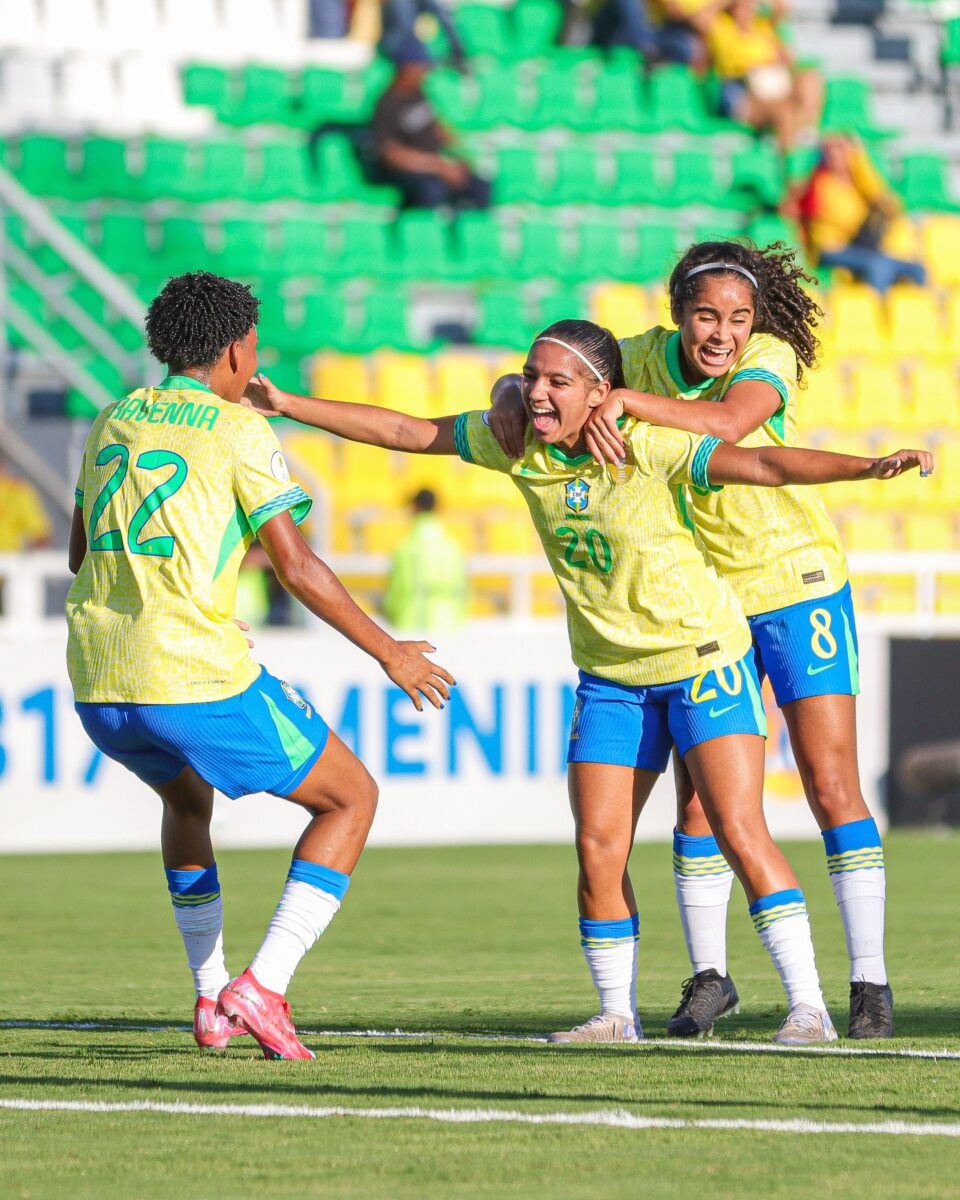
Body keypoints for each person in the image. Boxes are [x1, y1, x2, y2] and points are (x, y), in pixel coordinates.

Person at [244, 320, 930, 1045]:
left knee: (737, 829)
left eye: (556, 382)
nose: (536, 393)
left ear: (601, 392)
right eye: (530, 377)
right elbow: (406, 431)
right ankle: (615, 1014)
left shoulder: (645, 444)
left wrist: (867, 467)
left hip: (702, 661)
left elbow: (761, 464)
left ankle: (809, 1009)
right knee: (599, 848)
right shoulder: (518, 445)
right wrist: (288, 404)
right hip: (610, 678)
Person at [489, 241, 908, 1040]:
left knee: (828, 783)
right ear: (678, 311)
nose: (723, 333)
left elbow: (731, 424)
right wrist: (511, 387)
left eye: (737, 318)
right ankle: (711, 977)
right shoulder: (641, 355)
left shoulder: (767, 356)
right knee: (701, 805)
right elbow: (564, 371)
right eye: (707, 316)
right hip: (707, 603)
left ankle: (868, 983)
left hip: (794, 583)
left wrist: (630, 403)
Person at [65, 272, 452, 1060]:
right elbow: (297, 567)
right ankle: (262, 985)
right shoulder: (238, 428)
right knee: (350, 798)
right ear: (239, 350)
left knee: (186, 803)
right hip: (188, 674)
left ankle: (211, 997)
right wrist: (390, 652)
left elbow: (82, 555)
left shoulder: (112, 419)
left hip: (100, 680)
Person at [792, 134, 926, 294]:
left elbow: (887, 202)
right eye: (831, 152)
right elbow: (823, 217)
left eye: (843, 151)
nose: (837, 157)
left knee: (917, 269)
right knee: (877, 265)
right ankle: (873, 307)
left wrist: (861, 162)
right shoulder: (820, 183)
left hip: (859, 247)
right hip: (831, 249)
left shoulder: (859, 183)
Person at [371, 39, 490, 210]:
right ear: (406, 68)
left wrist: (460, 157)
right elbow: (393, 155)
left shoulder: (419, 93)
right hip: (410, 171)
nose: (425, 73)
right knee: (432, 190)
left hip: (434, 166)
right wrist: (438, 166)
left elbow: (438, 128)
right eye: (420, 67)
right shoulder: (386, 104)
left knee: (480, 185)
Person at [705, 0, 822, 151]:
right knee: (784, 112)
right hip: (742, 90)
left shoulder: (762, 27)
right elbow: (701, 17)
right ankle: (789, 155)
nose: (745, 11)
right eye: (740, 7)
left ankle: (803, 132)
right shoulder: (722, 27)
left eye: (749, 7)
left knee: (809, 77)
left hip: (772, 86)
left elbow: (782, 8)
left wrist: (781, 60)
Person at [383, 487, 468, 631]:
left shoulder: (404, 547)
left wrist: (392, 614)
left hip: (408, 623)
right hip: (448, 624)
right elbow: (463, 590)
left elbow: (396, 590)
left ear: (416, 507)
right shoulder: (453, 546)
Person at [0, 453, 53, 551]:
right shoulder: (17, 490)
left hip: (9, 557)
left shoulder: (17, 491)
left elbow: (41, 536)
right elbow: (42, 536)